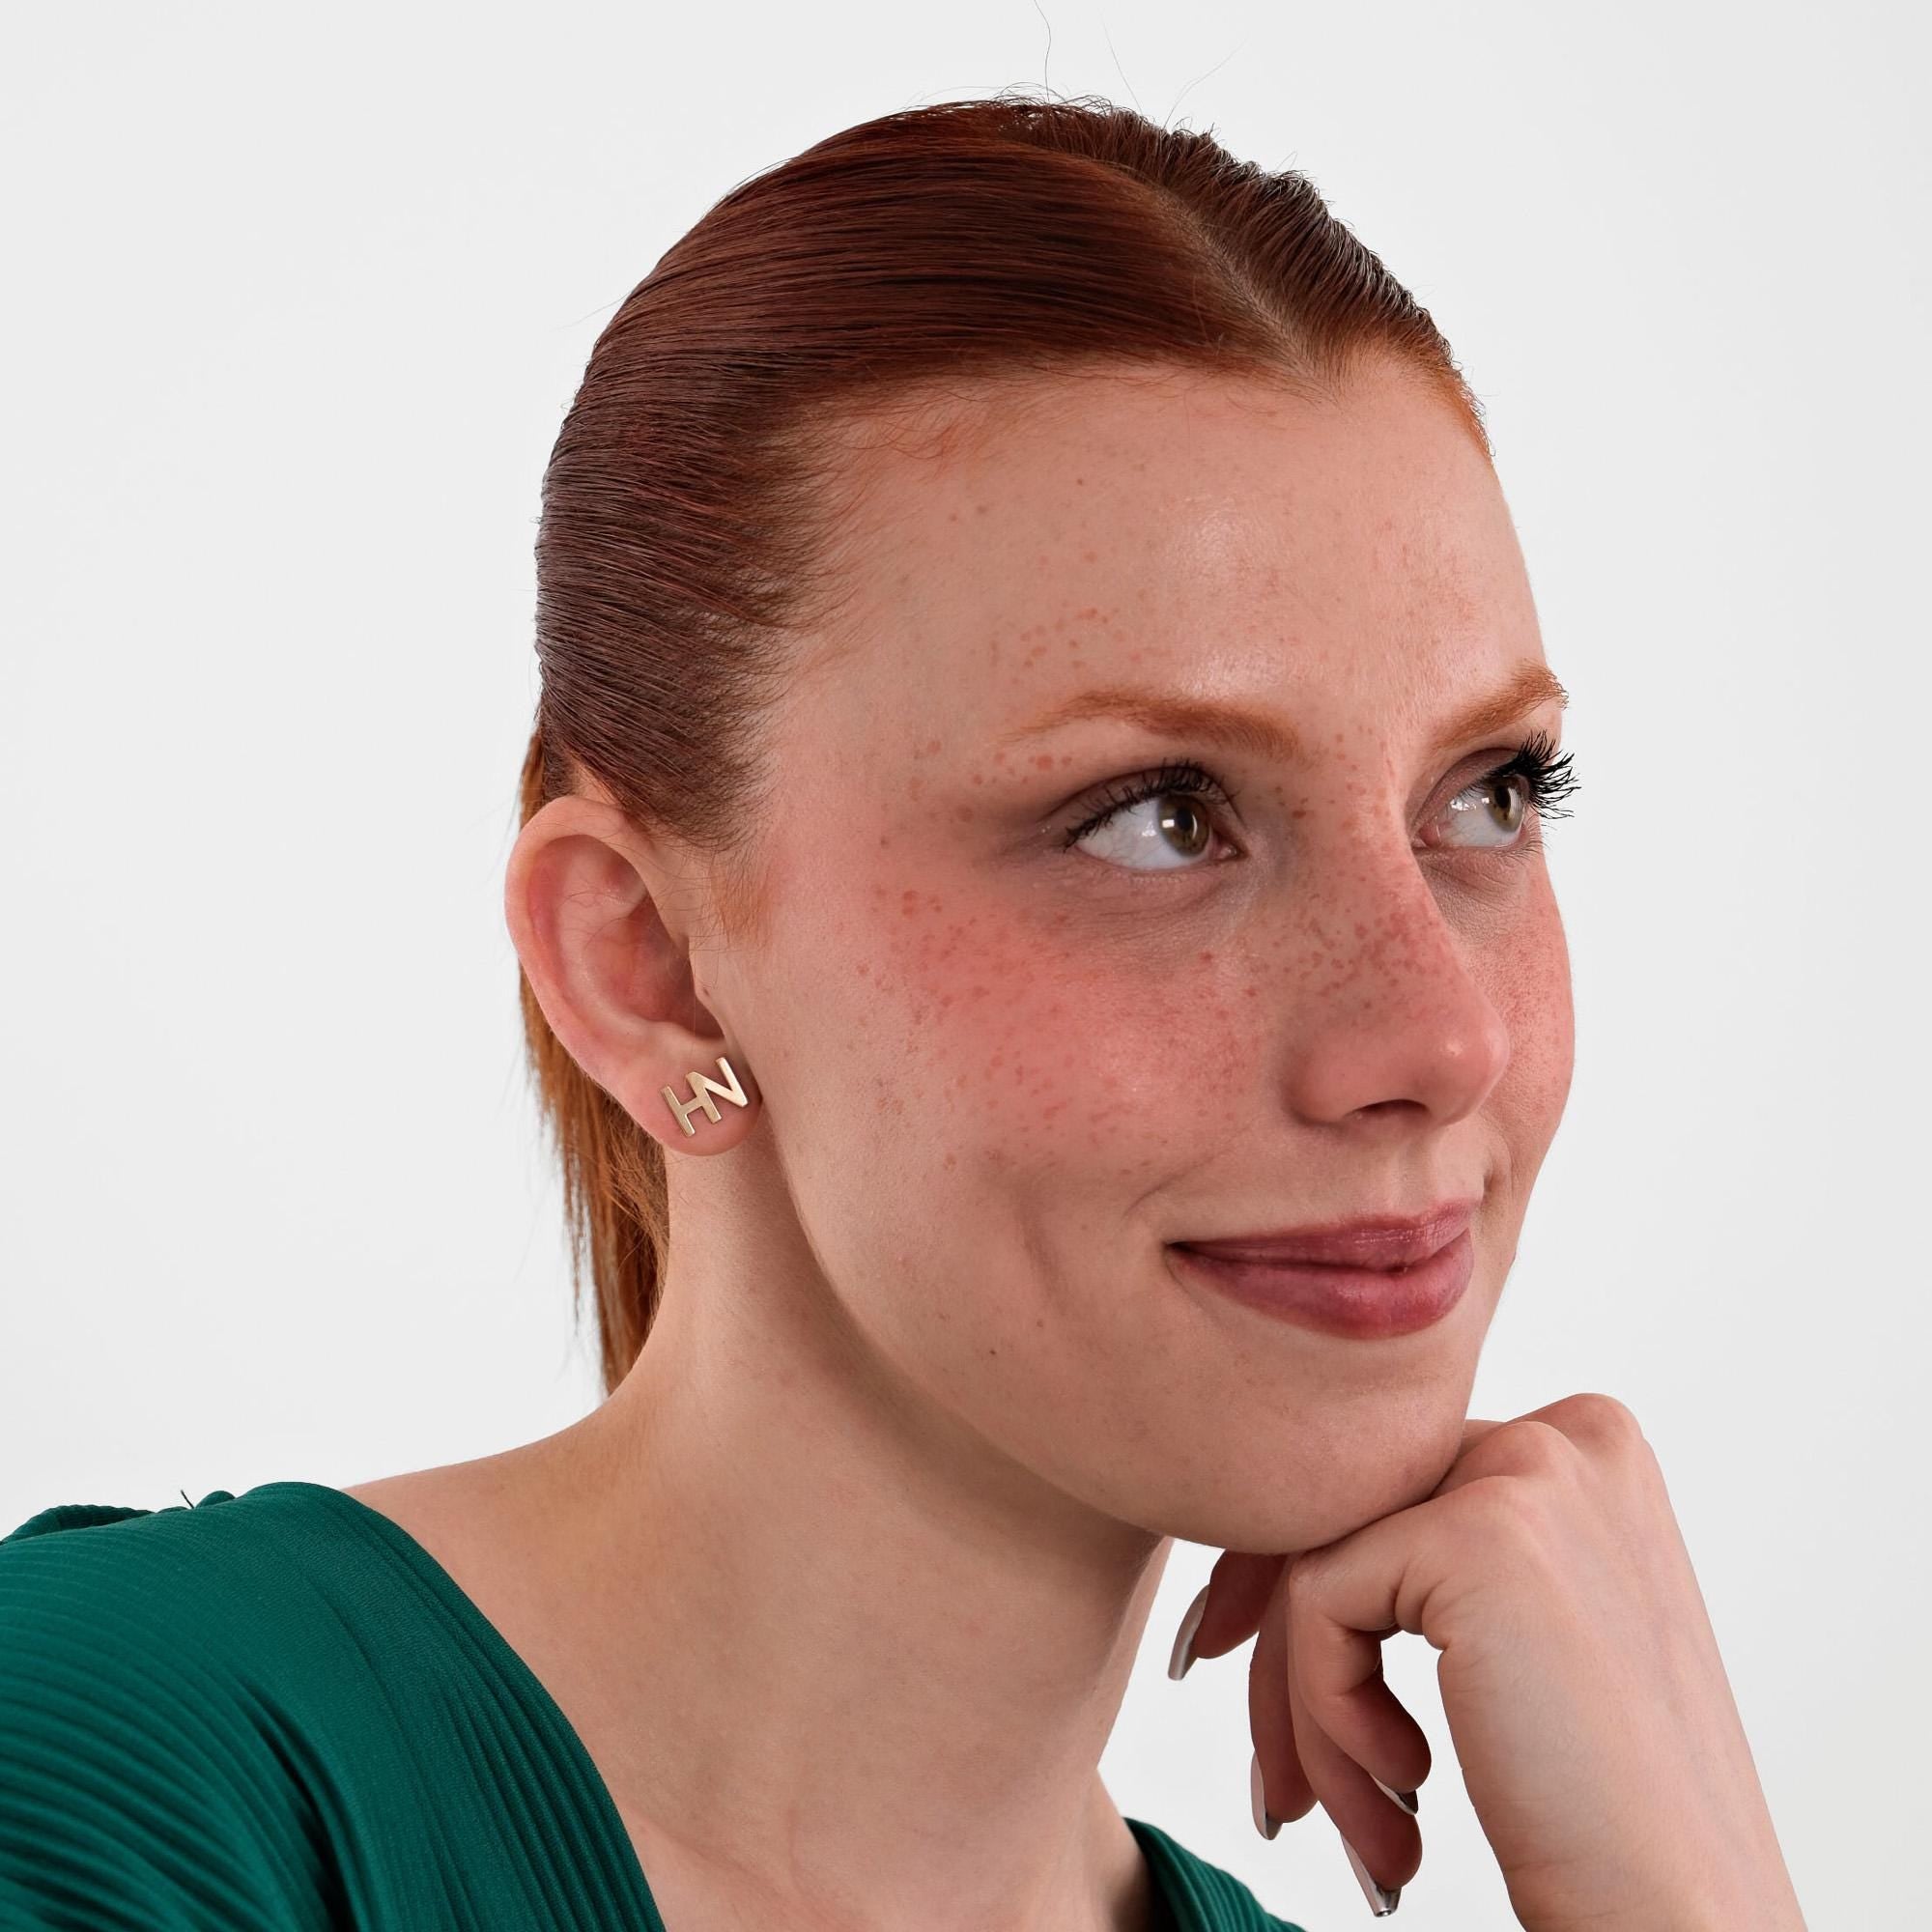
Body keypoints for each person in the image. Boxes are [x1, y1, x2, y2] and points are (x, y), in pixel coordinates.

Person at [0, 92, 1806, 1931]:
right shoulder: (103, 1781)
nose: (1440, 1041)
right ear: (648, 963)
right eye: (1161, 816)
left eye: (1492, 792)